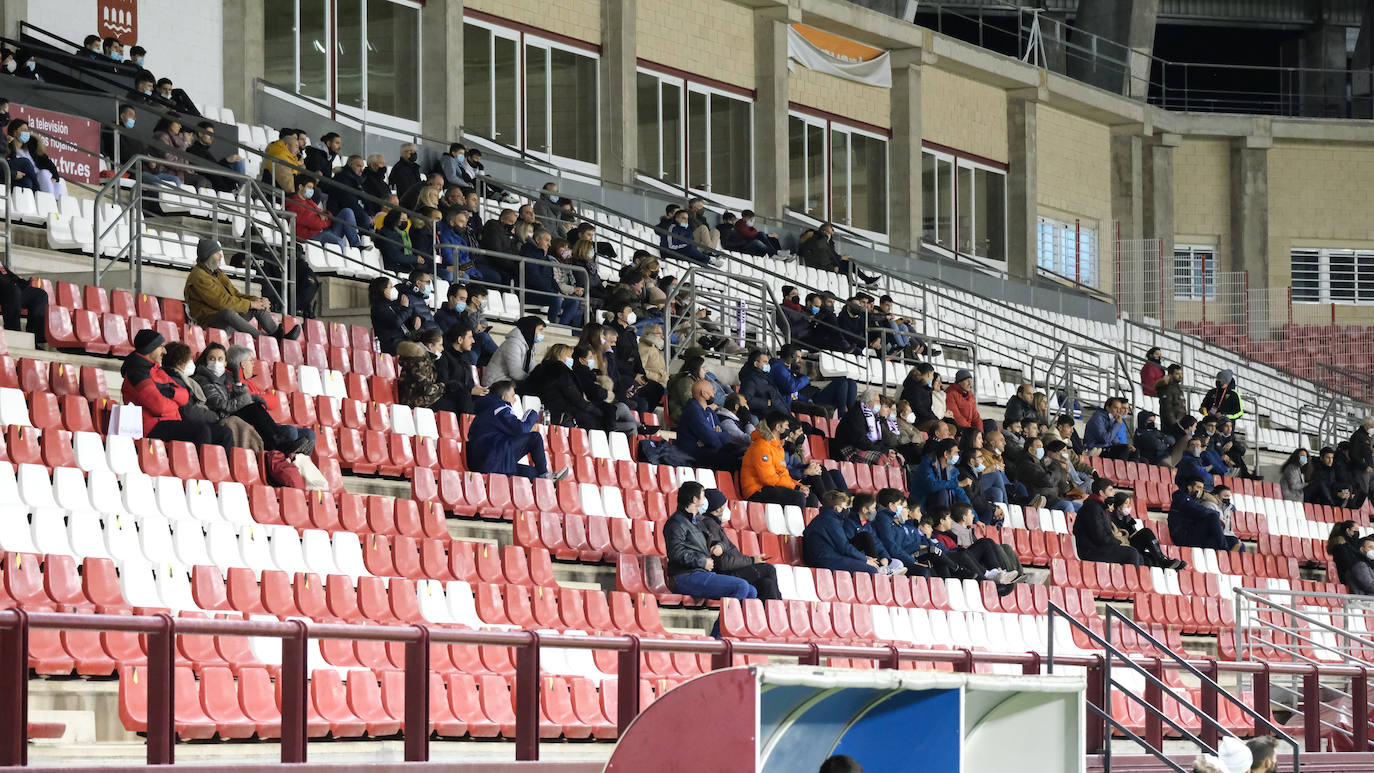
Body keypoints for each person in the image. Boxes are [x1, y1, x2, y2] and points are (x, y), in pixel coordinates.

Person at [194, 342, 313, 455]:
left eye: (220, 359)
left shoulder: (222, 379)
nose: (216, 363)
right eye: (212, 359)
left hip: (231, 416)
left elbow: (271, 401)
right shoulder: (204, 380)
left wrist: (241, 386)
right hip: (221, 419)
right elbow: (223, 405)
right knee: (254, 410)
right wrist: (247, 395)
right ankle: (281, 446)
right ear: (205, 361)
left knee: (308, 434)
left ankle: (286, 452)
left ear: (225, 363)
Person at [184, 238, 300, 339]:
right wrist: (250, 304)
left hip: (228, 320)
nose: (221, 256)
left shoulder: (217, 273)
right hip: (209, 322)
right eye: (217, 253)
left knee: (256, 306)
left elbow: (235, 294)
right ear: (207, 256)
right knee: (228, 312)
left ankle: (279, 335)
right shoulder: (199, 276)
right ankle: (263, 337)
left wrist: (257, 301)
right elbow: (222, 303)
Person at [120, 330, 214, 445]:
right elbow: (158, 406)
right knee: (201, 431)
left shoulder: (157, 370)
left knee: (224, 433)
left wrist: (171, 393)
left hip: (169, 421)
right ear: (151, 348)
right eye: (161, 346)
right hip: (151, 426)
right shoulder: (137, 373)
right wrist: (175, 402)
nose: (164, 351)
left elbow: (184, 396)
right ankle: (198, 463)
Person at [466, 380, 569, 481]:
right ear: (504, 397)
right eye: (512, 396)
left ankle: (545, 477)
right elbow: (521, 429)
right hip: (492, 458)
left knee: (535, 474)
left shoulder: (486, 411)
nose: (514, 400)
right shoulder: (500, 408)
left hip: (486, 462)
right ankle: (545, 474)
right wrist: (532, 413)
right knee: (534, 438)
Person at [696, 489, 780, 600]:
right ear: (718, 508)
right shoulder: (709, 524)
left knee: (767, 584)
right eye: (724, 505)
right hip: (724, 575)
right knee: (769, 570)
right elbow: (723, 562)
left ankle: (771, 614)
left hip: (727, 571)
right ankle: (778, 609)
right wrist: (751, 560)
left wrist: (750, 560)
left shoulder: (713, 524)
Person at [741, 412, 810, 508]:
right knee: (798, 498)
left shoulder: (778, 447)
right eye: (786, 426)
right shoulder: (761, 446)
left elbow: (783, 473)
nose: (788, 430)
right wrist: (795, 487)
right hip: (756, 490)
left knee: (811, 498)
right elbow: (768, 479)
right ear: (778, 427)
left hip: (771, 487)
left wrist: (798, 485)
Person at [770, 344, 857, 418]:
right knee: (841, 382)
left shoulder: (787, 369)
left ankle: (852, 414)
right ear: (792, 355)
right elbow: (792, 388)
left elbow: (794, 391)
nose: (801, 360)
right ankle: (843, 416)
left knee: (850, 382)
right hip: (810, 400)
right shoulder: (779, 368)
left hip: (812, 396)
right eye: (799, 357)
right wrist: (808, 377)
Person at [803, 491, 879, 575]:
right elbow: (844, 547)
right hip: (824, 560)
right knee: (872, 570)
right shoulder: (831, 521)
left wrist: (863, 558)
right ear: (837, 508)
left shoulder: (824, 517)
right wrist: (865, 560)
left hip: (825, 556)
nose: (847, 510)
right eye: (845, 507)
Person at [1073, 478, 1143, 565]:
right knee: (1131, 554)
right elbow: (1100, 537)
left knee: (1140, 557)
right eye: (1110, 490)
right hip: (1090, 550)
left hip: (1099, 547)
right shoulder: (1092, 508)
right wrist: (1118, 543)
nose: (1113, 493)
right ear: (1101, 493)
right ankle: (1128, 578)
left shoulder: (1100, 507)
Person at [676, 379, 740, 469]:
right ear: (704, 394)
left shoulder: (709, 411)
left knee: (737, 451)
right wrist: (715, 435)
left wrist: (714, 435)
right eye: (711, 390)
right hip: (693, 455)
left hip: (707, 449)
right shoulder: (693, 410)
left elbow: (727, 437)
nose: (714, 392)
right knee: (733, 461)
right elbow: (712, 440)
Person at [287, 174, 359, 251]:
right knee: (339, 242)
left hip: (324, 231)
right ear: (300, 187)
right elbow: (316, 224)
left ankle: (356, 246)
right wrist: (325, 220)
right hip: (311, 235)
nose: (312, 190)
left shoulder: (309, 201)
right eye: (309, 187)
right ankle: (346, 261)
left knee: (347, 212)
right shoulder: (294, 204)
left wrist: (325, 216)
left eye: (312, 188)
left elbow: (325, 214)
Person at [434, 322, 487, 415]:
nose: (473, 341)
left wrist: (479, 390)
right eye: (470, 337)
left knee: (490, 401)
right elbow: (444, 384)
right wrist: (469, 391)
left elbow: (469, 383)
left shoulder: (465, 358)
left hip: (464, 400)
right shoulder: (443, 358)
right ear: (460, 339)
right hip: (448, 402)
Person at [799, 222, 879, 283]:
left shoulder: (828, 242)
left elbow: (831, 255)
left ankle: (866, 280)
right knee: (846, 274)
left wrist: (838, 261)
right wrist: (834, 266)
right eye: (831, 230)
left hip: (831, 264)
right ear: (824, 231)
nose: (833, 232)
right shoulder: (817, 240)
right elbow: (821, 258)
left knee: (849, 264)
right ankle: (852, 283)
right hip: (825, 266)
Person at [1168, 475, 1229, 550]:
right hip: (1182, 537)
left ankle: (1224, 555)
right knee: (1213, 517)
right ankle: (1225, 550)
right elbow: (1199, 510)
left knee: (1213, 539)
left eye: (1202, 488)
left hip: (1190, 533)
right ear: (1190, 487)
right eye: (1198, 487)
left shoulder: (1192, 500)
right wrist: (1218, 514)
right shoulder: (1182, 498)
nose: (1200, 491)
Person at [484, 316, 545, 387]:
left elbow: (532, 369)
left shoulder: (529, 345)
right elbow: (515, 373)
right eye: (540, 330)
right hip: (496, 383)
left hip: (509, 382)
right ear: (531, 329)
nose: (542, 333)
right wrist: (533, 380)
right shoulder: (513, 343)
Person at [0, 261, 47, 347]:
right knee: (13, 291)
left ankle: (34, 338)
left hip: (8, 288)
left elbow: (5, 273)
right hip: (5, 291)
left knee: (39, 295)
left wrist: (20, 282)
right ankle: (14, 333)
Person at [397, 329, 446, 409]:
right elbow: (425, 389)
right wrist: (443, 387)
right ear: (430, 346)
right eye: (440, 345)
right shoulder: (419, 359)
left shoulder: (425, 357)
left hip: (417, 399)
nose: (442, 349)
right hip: (412, 401)